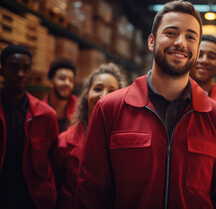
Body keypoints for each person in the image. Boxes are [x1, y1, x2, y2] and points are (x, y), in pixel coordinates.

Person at [76, 0, 216, 208]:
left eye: (190, 37)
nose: (181, 43)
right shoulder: (110, 109)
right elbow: (90, 194)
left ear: (197, 47)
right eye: (171, 33)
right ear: (151, 41)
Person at [54, 63, 124, 209]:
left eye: (112, 91)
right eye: (98, 88)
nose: (104, 95)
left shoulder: (125, 144)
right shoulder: (64, 141)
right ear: (86, 94)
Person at [0, 45, 59, 208]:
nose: (20, 74)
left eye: (26, 69)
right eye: (13, 67)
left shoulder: (46, 116)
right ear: (2, 71)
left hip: (32, 201)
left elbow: (55, 162)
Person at [44, 58, 77, 134]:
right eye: (62, 78)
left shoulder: (79, 108)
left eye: (71, 80)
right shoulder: (41, 111)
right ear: (51, 82)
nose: (67, 83)